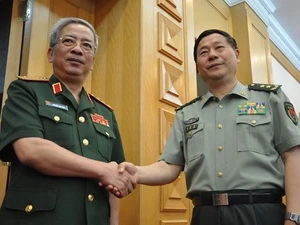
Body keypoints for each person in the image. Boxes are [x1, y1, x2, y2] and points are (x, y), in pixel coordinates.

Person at [119, 29, 300, 225]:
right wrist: (137, 173)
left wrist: (294, 217)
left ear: (237, 55)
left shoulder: (269, 99)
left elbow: (293, 156)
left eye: (219, 47)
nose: (212, 55)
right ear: (198, 67)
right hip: (206, 215)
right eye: (203, 52)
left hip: (261, 213)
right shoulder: (186, 114)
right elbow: (169, 166)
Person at [0, 17, 135, 225]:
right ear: (51, 54)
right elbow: (31, 150)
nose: (78, 50)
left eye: (87, 45)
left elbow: (115, 176)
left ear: (93, 62)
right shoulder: (26, 91)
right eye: (68, 41)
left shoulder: (106, 113)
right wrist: (101, 169)